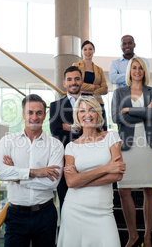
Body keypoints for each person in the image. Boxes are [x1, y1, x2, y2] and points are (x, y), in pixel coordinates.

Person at [0, 94, 64, 247]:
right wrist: (35, 172)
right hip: (16, 215)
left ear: (45, 115)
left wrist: (16, 176)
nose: (34, 117)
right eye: (30, 112)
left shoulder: (55, 145)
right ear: (23, 114)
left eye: (39, 112)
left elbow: (52, 183)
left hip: (45, 214)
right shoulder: (8, 141)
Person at [57, 95, 125, 247]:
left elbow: (117, 174)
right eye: (82, 111)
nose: (87, 115)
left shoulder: (111, 137)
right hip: (74, 210)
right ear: (77, 116)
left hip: (103, 211)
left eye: (91, 110)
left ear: (98, 114)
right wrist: (106, 168)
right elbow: (71, 181)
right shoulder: (71, 147)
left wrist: (81, 179)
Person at [111, 57, 152, 247]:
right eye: (134, 67)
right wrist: (143, 112)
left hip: (149, 143)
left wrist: (129, 110)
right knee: (124, 190)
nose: (137, 70)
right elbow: (117, 118)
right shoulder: (119, 92)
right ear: (129, 71)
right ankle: (133, 235)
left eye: (140, 67)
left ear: (144, 71)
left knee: (149, 189)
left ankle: (148, 237)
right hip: (127, 144)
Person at [49, 66, 107, 209]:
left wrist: (69, 127)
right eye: (69, 79)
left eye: (76, 79)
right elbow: (56, 133)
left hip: (93, 159)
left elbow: (102, 130)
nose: (73, 82)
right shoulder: (55, 106)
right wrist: (86, 129)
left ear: (81, 81)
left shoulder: (95, 103)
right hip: (67, 162)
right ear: (64, 83)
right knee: (66, 204)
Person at [73, 40, 108, 131]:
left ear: (94, 51)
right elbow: (77, 84)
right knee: (83, 129)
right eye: (85, 49)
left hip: (97, 102)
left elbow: (105, 89)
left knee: (101, 130)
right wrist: (94, 87)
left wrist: (91, 91)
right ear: (81, 52)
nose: (88, 52)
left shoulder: (99, 69)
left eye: (90, 49)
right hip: (82, 102)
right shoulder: (76, 66)